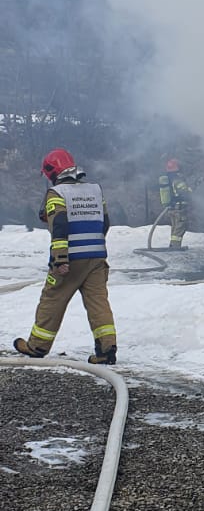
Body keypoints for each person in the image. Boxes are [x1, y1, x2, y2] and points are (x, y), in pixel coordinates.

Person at [14, 148, 117, 363]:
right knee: (98, 303)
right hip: (97, 259)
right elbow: (105, 223)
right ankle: (106, 350)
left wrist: (60, 259)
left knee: (52, 299)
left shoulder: (57, 193)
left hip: (70, 260)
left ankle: (37, 346)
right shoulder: (95, 190)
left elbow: (59, 226)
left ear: (52, 172)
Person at [158, 157, 192, 250]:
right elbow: (185, 192)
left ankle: (173, 245)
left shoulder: (169, 179)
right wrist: (191, 189)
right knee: (180, 226)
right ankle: (175, 246)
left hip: (172, 207)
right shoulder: (177, 180)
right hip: (179, 207)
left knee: (175, 227)